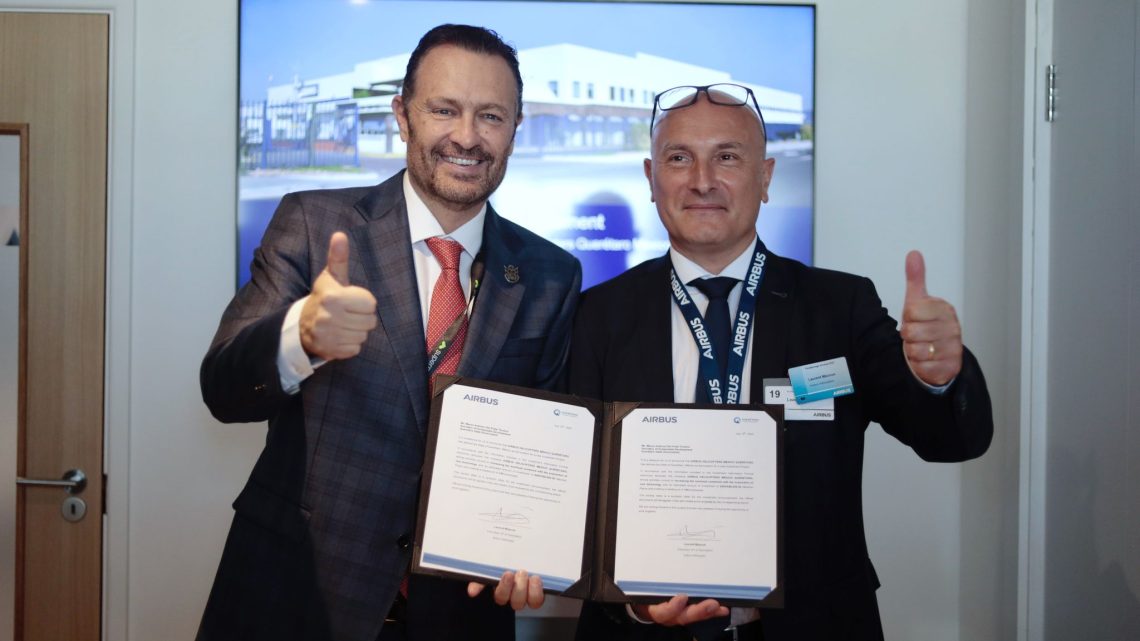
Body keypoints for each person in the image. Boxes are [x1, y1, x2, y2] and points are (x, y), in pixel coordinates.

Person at [196, 24, 580, 641]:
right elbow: (222, 390)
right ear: (402, 116)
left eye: (490, 116)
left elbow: (548, 449)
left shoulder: (550, 274)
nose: (467, 136)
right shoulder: (314, 225)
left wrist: (534, 544)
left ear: (515, 129)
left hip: (460, 614)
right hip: (295, 597)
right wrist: (302, 338)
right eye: (444, 109)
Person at [569, 84, 993, 641]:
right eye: (679, 158)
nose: (702, 180)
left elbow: (947, 440)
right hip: (639, 629)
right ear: (652, 178)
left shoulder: (840, 309)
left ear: (765, 178)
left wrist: (939, 378)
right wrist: (632, 605)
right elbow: (578, 497)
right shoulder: (596, 315)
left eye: (727, 157)